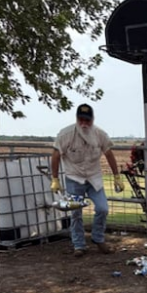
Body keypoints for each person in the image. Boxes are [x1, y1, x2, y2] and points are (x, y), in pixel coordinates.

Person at [49, 103, 121, 257]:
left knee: (103, 208)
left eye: (87, 121)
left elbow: (109, 154)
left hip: (94, 177)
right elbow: (55, 155)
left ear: (92, 119)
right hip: (74, 178)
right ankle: (79, 245)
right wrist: (55, 179)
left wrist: (117, 176)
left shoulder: (100, 134)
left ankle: (98, 238)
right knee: (75, 213)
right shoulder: (65, 134)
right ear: (76, 119)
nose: (84, 124)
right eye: (81, 120)